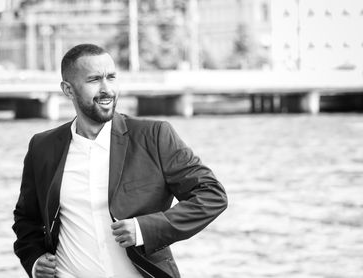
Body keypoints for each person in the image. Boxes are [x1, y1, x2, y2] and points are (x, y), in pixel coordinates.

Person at [12, 43, 227, 278]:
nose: (107, 89)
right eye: (94, 80)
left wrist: (143, 229)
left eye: (111, 77)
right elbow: (26, 218)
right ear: (68, 89)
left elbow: (211, 195)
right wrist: (34, 259)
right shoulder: (42, 147)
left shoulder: (154, 136)